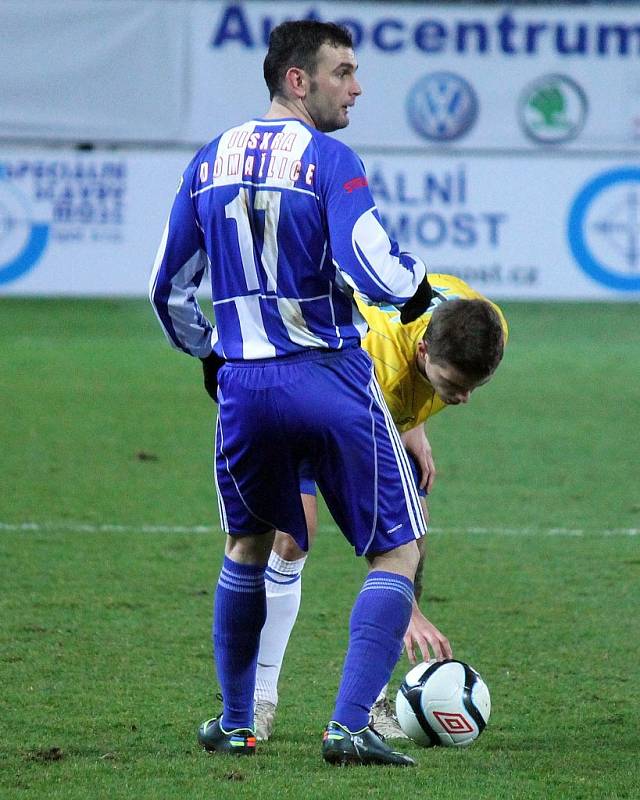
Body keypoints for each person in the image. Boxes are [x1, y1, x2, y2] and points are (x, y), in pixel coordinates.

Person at [149, 20, 438, 767]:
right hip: (330, 377)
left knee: (247, 546)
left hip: (244, 385)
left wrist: (211, 353)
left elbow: (167, 288)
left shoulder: (207, 160)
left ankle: (239, 721)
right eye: (343, 71)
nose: (358, 86)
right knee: (397, 552)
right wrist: (419, 297)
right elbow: (369, 263)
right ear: (298, 81)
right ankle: (347, 726)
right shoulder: (328, 157)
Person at [254, 274, 508, 740]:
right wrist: (406, 604)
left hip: (379, 401)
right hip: (301, 390)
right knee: (293, 537)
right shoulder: (381, 372)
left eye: (477, 386)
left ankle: (371, 702)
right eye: (454, 385)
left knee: (414, 532)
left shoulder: (484, 325)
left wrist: (417, 421)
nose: (466, 398)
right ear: (423, 354)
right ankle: (259, 697)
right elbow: (378, 530)